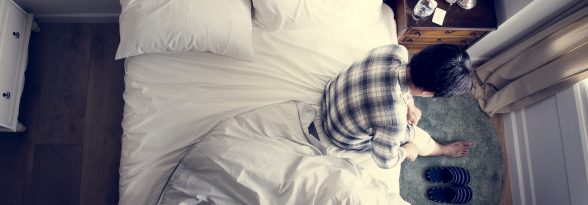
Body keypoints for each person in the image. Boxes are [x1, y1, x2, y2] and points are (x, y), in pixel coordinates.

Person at [321, 44, 473, 169]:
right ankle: (443, 149)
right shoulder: (394, 121)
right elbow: (385, 160)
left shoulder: (396, 51)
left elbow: (398, 78)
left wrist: (409, 103)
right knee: (414, 136)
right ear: (427, 93)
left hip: (331, 94)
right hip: (340, 135)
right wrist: (407, 150)